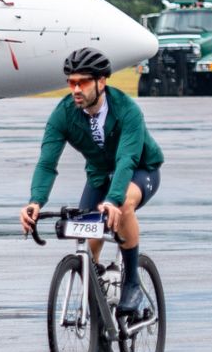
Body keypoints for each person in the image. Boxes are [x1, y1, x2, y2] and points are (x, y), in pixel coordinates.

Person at [19, 47, 164, 315]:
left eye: (82, 82)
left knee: (123, 206)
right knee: (86, 234)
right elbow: (47, 162)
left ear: (101, 81)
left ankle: (132, 281)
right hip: (99, 175)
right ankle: (98, 313)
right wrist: (35, 201)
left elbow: (126, 160)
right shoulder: (63, 113)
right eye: (71, 82)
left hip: (140, 170)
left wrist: (112, 200)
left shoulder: (127, 111)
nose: (75, 89)